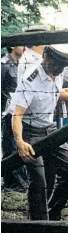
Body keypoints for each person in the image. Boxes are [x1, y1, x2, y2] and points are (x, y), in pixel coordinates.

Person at [9, 43, 68, 220]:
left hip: (50, 128)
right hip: (30, 131)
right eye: (56, 65)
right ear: (46, 57)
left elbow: (54, 92)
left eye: (62, 66)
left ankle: (53, 213)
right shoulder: (30, 79)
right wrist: (20, 142)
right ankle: (39, 226)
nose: (59, 70)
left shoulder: (57, 74)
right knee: (38, 180)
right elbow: (17, 115)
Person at [1, 44, 28, 191]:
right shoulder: (3, 65)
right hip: (6, 113)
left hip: (19, 113)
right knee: (8, 147)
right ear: (12, 46)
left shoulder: (22, 64)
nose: (24, 47)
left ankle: (20, 182)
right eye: (20, 44)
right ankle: (11, 183)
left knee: (19, 145)